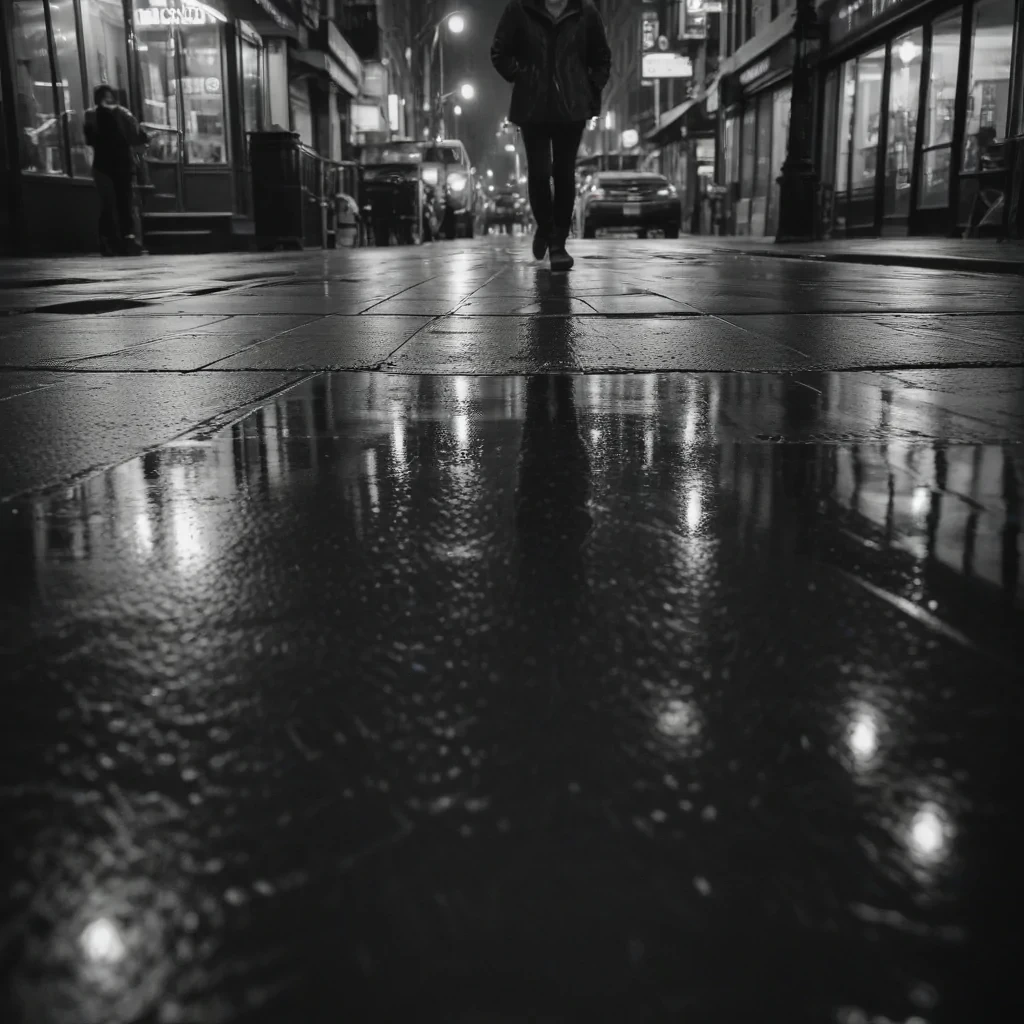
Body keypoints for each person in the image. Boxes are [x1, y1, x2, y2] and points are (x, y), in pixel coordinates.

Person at [491, 0, 611, 271]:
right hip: (532, 105)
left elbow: (601, 56)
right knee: (539, 171)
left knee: (564, 171)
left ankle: (558, 242)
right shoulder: (519, 9)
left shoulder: (585, 11)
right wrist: (524, 77)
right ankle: (545, 227)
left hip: (572, 107)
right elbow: (499, 52)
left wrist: (589, 87)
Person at [83, 86, 148, 255]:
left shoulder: (91, 115)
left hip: (102, 164)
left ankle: (108, 241)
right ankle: (128, 239)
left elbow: (89, 139)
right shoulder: (123, 113)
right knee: (124, 203)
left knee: (107, 204)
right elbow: (137, 136)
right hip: (121, 163)